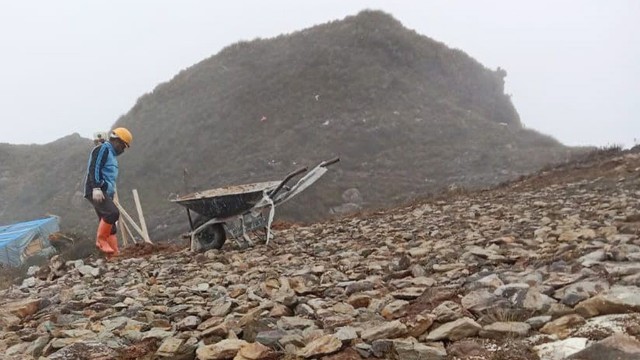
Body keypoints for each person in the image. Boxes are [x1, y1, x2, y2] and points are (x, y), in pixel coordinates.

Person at [84, 127, 133, 257]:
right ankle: (101, 241)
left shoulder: (112, 156)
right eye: (123, 146)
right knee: (112, 213)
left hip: (104, 191)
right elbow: (95, 167)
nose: (123, 150)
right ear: (117, 141)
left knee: (110, 225)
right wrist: (96, 187)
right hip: (96, 189)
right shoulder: (103, 149)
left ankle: (113, 253)